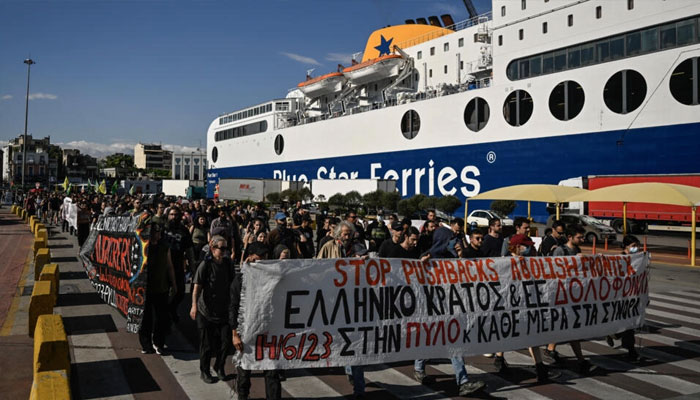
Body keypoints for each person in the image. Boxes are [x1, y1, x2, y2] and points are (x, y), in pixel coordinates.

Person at [316, 221, 367, 398]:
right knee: (340, 339)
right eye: (344, 234)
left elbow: (368, 266)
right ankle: (348, 368)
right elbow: (318, 268)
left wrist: (364, 262)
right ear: (338, 235)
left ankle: (359, 388)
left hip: (353, 300)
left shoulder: (358, 248)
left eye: (349, 233)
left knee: (355, 344)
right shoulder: (328, 247)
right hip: (334, 300)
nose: (347, 236)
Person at [231, 246, 282, 400]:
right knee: (244, 371)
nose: (262, 261)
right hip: (246, 332)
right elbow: (233, 307)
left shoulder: (271, 277)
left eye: (264, 258)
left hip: (268, 331)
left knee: (272, 371)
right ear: (250, 257)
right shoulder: (240, 279)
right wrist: (235, 334)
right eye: (258, 258)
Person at [546, 225, 596, 374]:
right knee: (570, 328)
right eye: (579, 237)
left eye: (582, 237)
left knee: (567, 327)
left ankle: (551, 349)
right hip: (560, 294)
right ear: (570, 237)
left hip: (572, 295)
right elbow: (554, 270)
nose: (582, 240)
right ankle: (580, 361)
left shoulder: (577, 250)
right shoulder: (560, 251)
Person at [190, 235, 234, 383]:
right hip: (206, 311)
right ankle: (204, 370)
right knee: (206, 344)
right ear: (212, 248)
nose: (223, 251)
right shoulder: (206, 265)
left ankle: (219, 367)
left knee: (225, 343)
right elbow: (196, 288)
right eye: (220, 248)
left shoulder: (228, 264)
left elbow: (233, 285)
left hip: (223, 310)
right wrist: (194, 306)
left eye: (225, 248)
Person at [140, 223, 177, 355]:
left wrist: (174, 284)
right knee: (146, 318)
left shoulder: (164, 247)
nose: (158, 234)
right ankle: (146, 344)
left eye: (159, 232)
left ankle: (158, 342)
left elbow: (169, 266)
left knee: (161, 318)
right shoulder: (143, 248)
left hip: (161, 288)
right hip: (145, 288)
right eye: (155, 232)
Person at [605, 235, 642, 361]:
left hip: (633, 295)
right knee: (623, 323)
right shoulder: (620, 259)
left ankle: (631, 350)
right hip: (620, 296)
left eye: (637, 245)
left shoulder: (638, 258)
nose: (636, 248)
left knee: (630, 324)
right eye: (633, 246)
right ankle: (612, 334)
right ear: (626, 246)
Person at [164, 207, 196, 323]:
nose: (174, 217)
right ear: (167, 216)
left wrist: (193, 268)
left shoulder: (184, 230)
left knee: (180, 291)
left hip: (177, 263)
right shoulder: (163, 228)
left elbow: (189, 250)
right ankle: (164, 314)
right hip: (163, 264)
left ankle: (172, 309)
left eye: (176, 215)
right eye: (171, 214)